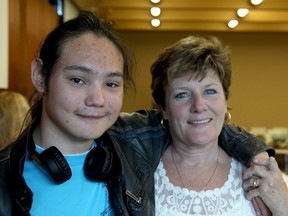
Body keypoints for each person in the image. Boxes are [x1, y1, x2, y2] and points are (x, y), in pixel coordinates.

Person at [0, 12, 274, 216]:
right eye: (78, 80)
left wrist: (257, 154)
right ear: (40, 76)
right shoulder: (5, 181)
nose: (97, 100)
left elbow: (200, 125)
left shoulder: (127, 149)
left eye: (111, 84)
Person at [150, 34, 285, 215]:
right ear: (164, 108)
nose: (199, 106)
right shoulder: (137, 176)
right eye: (182, 94)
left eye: (210, 91)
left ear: (225, 101)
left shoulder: (262, 176)